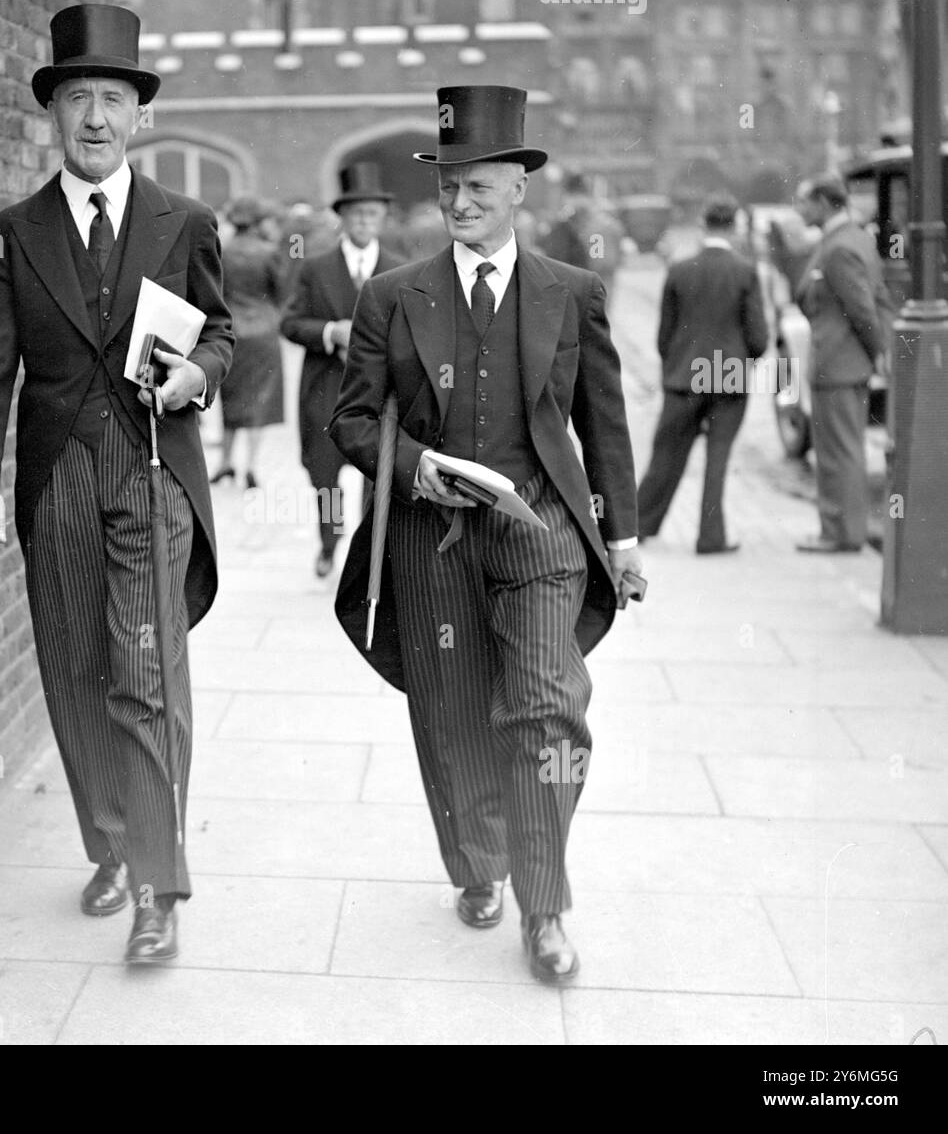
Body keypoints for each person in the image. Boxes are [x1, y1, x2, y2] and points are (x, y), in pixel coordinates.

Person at [329, 85, 641, 983]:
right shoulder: (393, 297)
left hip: (540, 529)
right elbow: (349, 422)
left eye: (478, 186)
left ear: (518, 190)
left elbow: (605, 422)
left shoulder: (570, 293)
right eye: (448, 186)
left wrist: (621, 539)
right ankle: (478, 866)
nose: (459, 202)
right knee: (454, 717)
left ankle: (544, 907)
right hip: (429, 542)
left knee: (551, 708)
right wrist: (412, 464)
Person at [0, 3, 233, 964]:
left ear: (140, 114)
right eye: (79, 98)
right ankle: (108, 842)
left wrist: (198, 374)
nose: (97, 117)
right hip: (57, 479)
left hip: (154, 472)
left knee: (146, 675)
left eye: (114, 97)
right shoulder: (11, 233)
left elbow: (223, 330)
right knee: (77, 677)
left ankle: (159, 885)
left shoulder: (183, 221)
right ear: (54, 114)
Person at [280, 163, 405, 577]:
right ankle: (329, 543)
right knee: (326, 476)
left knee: (378, 476)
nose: (364, 222)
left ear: (383, 218)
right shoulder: (316, 267)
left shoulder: (401, 268)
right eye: (356, 214)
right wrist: (332, 331)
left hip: (380, 394)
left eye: (372, 214)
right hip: (325, 392)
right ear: (343, 218)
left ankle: (369, 553)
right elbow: (291, 323)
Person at [636, 194, 769, 554]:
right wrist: (744, 362)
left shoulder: (679, 270)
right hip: (728, 375)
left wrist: (674, 365)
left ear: (702, 226)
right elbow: (759, 337)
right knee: (718, 458)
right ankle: (711, 537)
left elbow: (663, 335)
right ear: (736, 227)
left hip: (684, 376)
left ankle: (638, 526)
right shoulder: (745, 271)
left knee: (666, 455)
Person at [792, 174, 893, 553]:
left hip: (838, 363)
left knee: (838, 452)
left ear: (822, 202)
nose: (799, 209)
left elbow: (863, 309)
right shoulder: (852, 239)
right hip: (843, 363)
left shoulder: (838, 248)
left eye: (804, 201)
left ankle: (840, 533)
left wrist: (877, 351)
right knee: (842, 449)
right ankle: (840, 529)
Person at [211, 197, 286, 490]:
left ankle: (225, 462)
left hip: (232, 331)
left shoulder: (223, 251)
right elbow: (282, 291)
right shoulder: (270, 253)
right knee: (261, 399)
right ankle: (252, 465)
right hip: (264, 331)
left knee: (229, 397)